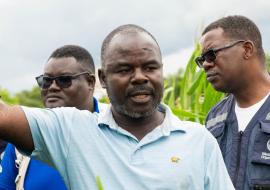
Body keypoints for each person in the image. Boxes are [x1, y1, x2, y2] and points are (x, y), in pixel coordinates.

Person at [0, 24, 234, 190]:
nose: (140, 77)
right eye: (124, 70)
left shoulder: (199, 141)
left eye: (150, 67)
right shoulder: (71, 131)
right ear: (102, 78)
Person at [0, 45, 101, 190]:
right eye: (46, 81)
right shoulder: (22, 140)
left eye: (64, 80)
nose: (52, 87)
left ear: (90, 82)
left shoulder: (115, 130)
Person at [195, 15, 270, 190]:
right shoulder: (214, 118)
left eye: (211, 55)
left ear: (247, 49)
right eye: (202, 60)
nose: (206, 64)